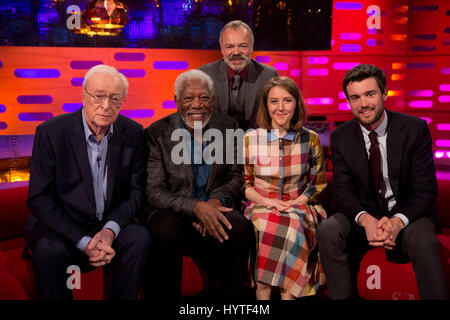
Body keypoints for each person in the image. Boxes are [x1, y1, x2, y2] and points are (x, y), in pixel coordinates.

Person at [318, 64, 449, 300]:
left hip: (409, 215)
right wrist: (366, 220)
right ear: (349, 101)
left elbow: (425, 190)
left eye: (370, 94)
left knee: (424, 240)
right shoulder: (341, 137)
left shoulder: (414, 129)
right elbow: (342, 192)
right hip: (365, 217)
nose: (363, 104)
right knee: (329, 229)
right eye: (355, 98)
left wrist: (398, 222)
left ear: (384, 93)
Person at [24, 64, 151, 300]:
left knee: (138, 238)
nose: (106, 105)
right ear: (83, 95)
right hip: (64, 226)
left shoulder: (133, 133)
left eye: (115, 98)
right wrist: (85, 241)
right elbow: (39, 198)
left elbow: (137, 192)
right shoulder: (51, 133)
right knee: (48, 251)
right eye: (99, 96)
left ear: (123, 101)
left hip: (109, 223)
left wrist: (110, 231)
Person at [144, 69, 254, 301]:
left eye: (203, 98)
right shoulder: (157, 132)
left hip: (215, 204)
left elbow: (235, 176)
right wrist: (195, 207)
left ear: (212, 100)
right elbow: (154, 191)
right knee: (165, 230)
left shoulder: (229, 126)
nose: (196, 105)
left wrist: (214, 203)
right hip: (174, 211)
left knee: (238, 227)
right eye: (188, 98)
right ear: (176, 101)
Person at [243, 76, 327, 300]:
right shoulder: (251, 139)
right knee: (264, 224)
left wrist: (296, 201)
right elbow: (244, 183)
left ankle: (288, 296)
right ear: (266, 105)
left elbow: (317, 183)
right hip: (261, 205)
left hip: (297, 205)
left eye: (287, 100)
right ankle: (262, 295)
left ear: (296, 104)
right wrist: (267, 201)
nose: (280, 108)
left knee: (293, 223)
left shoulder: (311, 139)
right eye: (274, 101)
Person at [199, 20, 278, 131]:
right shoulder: (204, 75)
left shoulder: (268, 75)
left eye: (243, 46)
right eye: (229, 46)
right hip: (217, 144)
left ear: (251, 47)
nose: (236, 52)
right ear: (222, 48)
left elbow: (276, 118)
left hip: (255, 143)